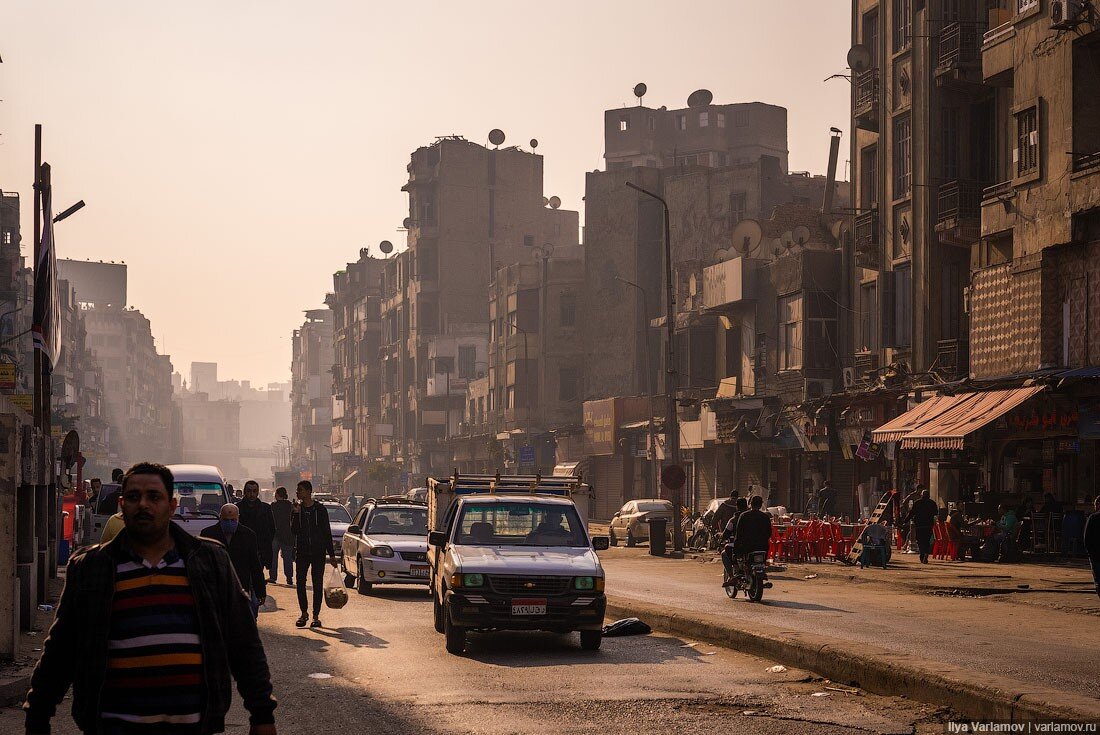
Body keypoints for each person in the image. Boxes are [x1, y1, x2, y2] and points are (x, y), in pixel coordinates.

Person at [23, 462, 277, 735]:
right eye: (133, 497)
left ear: (172, 506)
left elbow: (244, 642)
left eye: (154, 497)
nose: (143, 504)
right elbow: (61, 649)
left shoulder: (209, 562)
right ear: (122, 505)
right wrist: (38, 715)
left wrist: (261, 714)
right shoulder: (92, 567)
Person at [201, 504, 268, 620]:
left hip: (240, 586)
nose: (230, 523)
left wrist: (260, 591)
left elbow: (255, 565)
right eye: (226, 520)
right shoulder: (208, 535)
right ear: (220, 518)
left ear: (238, 518)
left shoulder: (248, 535)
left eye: (233, 520)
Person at [291, 480, 336, 629]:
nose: (298, 492)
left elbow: (326, 532)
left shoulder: (320, 510)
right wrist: (296, 514)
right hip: (302, 552)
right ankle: (304, 613)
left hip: (318, 552)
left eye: (300, 490)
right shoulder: (297, 509)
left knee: (317, 584)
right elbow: (294, 531)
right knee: (300, 583)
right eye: (297, 490)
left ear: (308, 491)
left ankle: (316, 616)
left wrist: (332, 554)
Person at [237, 480, 276, 577]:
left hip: (259, 550)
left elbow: (271, 529)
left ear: (257, 492)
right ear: (245, 492)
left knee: (257, 577)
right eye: (249, 491)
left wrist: (264, 543)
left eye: (254, 491)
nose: (252, 494)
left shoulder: (266, 508)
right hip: (242, 550)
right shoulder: (237, 508)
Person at [730, 495, 772, 564]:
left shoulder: (744, 516)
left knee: (742, 563)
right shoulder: (765, 517)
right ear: (761, 505)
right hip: (762, 547)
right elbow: (769, 533)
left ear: (751, 504)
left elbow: (739, 534)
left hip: (747, 547)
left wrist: (735, 550)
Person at [902, 489, 939, 564]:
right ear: (928, 496)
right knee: (927, 541)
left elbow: (911, 513)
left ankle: (922, 554)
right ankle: (926, 553)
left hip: (919, 525)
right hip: (928, 525)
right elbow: (936, 513)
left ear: (921, 496)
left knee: (920, 541)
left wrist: (904, 521)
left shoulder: (917, 503)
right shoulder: (932, 503)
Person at [720, 498, 749, 585]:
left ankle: (732, 576)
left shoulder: (734, 520)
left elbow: (726, 534)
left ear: (737, 507)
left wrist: (721, 537)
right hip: (754, 545)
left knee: (724, 553)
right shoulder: (752, 517)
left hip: (739, 545)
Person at [270, 486, 295, 585]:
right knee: (288, 557)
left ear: (277, 494)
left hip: (275, 534)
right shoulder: (290, 505)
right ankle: (289, 578)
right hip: (287, 534)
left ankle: (273, 577)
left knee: (273, 557)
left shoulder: (273, 506)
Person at [1084, 495, 1100, 599]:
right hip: (1095, 554)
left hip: (1096, 554)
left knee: (1099, 580)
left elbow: (1086, 538)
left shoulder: (1093, 518)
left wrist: (1090, 553)